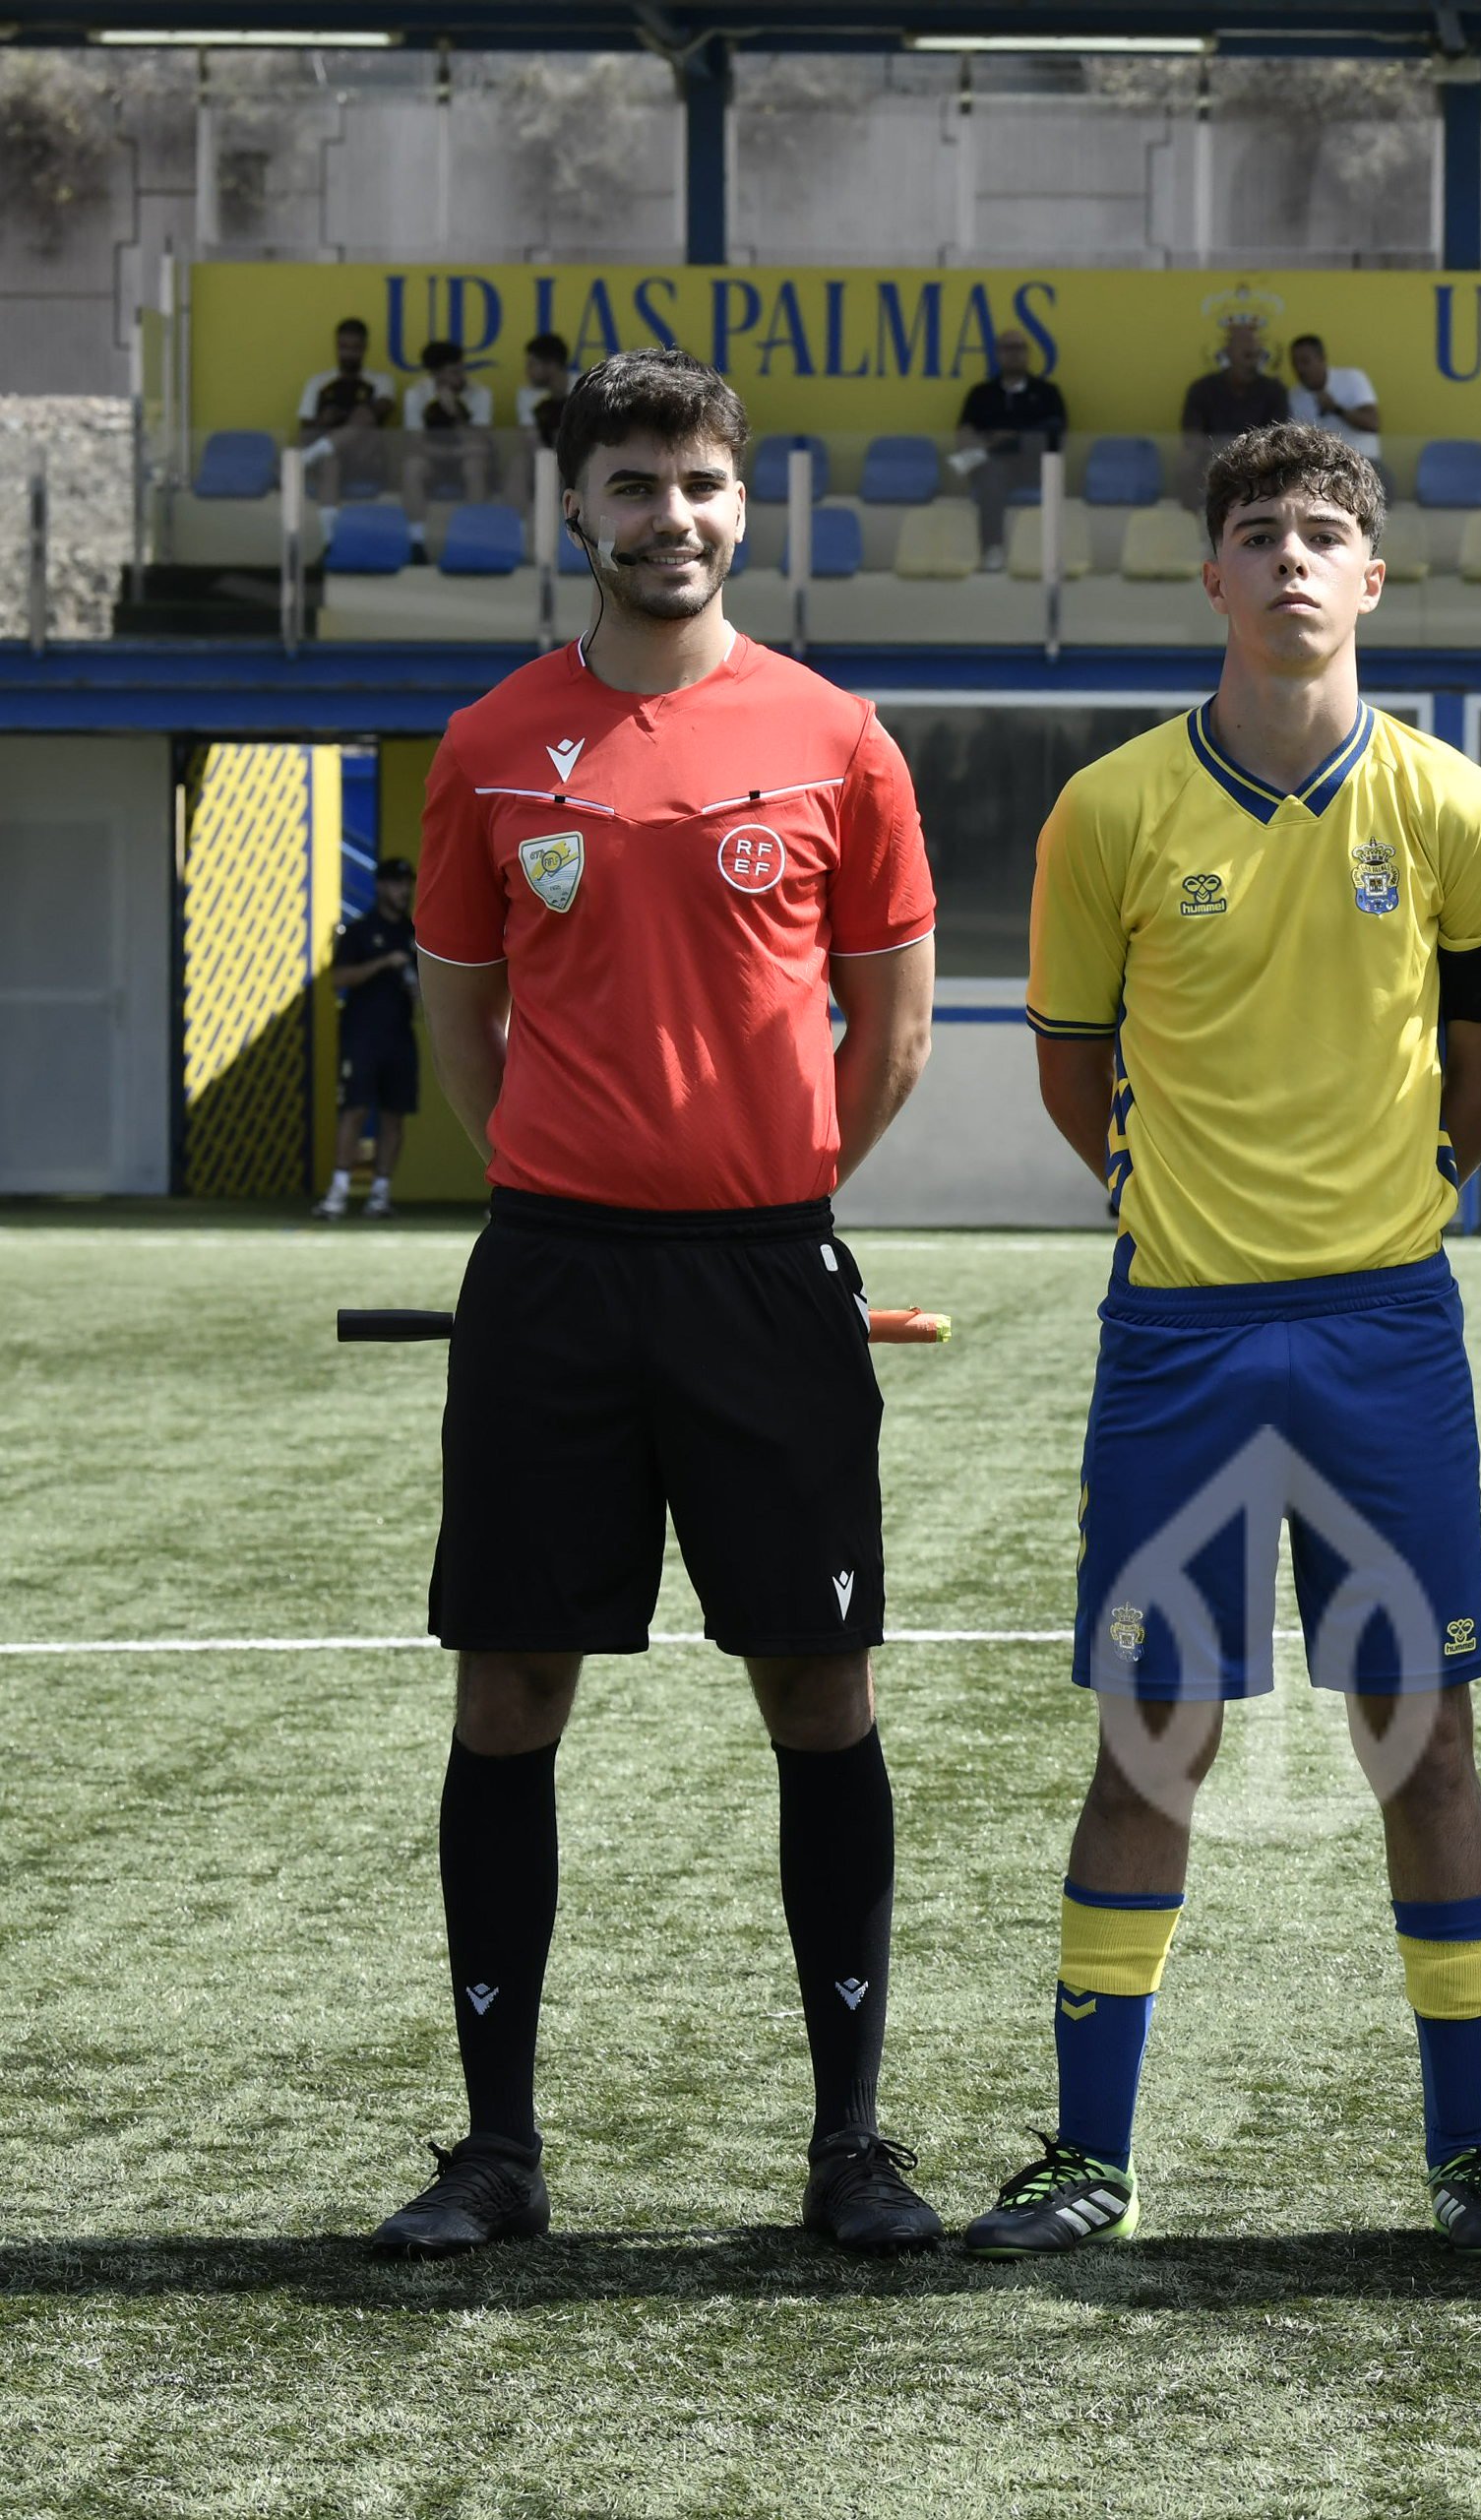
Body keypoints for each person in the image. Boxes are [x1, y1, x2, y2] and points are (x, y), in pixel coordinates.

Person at [379, 347, 942, 2261]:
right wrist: (574, 1170)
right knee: (513, 1686)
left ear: (741, 503)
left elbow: (894, 1023)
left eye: (700, 483)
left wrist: (770, 1196)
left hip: (766, 1274)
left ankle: (852, 2144)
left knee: (818, 1684)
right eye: (634, 485)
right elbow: (461, 1016)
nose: (671, 518)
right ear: (576, 512)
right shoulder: (488, 744)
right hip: (550, 1277)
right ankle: (496, 2148)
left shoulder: (835, 735)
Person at [963, 421, 1481, 2261]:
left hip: (1385, 1331)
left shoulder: (1459, 811)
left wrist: (1380, 1208)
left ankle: (1475, 2161)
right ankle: (1088, 2157)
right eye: (1257, 533)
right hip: (1183, 1341)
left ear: (1374, 580)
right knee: (1158, 1737)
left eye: (1324, 534)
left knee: (1422, 1739)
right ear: (1209, 576)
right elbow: (1075, 1071)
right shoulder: (1113, 808)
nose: (1292, 559)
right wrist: (1186, 1211)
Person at [319, 855, 424, 1221]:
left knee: (395, 1115)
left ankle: (379, 1194)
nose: (403, 890)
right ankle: (339, 1191)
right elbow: (338, 979)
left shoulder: (415, 933)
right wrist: (383, 963)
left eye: (407, 883)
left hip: (400, 1036)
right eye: (396, 883)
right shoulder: (361, 930)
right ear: (380, 886)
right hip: (361, 1036)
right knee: (355, 1109)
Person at [954, 330, 1068, 570]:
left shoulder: (1047, 392)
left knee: (1037, 439)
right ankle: (993, 549)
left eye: (1019, 348)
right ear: (998, 354)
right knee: (991, 476)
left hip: (1034, 465)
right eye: (1008, 348)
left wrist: (1007, 438)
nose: (1014, 354)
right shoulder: (981, 394)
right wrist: (996, 442)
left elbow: (1056, 434)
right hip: (996, 468)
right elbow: (964, 433)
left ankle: (996, 448)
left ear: (1027, 354)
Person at [1178, 317, 1285, 496]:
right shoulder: (1202, 389)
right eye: (1246, 355)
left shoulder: (1273, 391)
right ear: (1228, 354)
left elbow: (1278, 442)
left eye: (1256, 355)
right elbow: (1192, 440)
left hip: (1259, 479)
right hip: (1210, 477)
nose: (1251, 362)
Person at [298, 316, 397, 497]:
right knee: (330, 462)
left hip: (365, 456)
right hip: (329, 458)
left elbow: (384, 406)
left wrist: (349, 419)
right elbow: (305, 428)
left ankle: (312, 454)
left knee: (364, 415)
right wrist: (323, 421)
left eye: (355, 348)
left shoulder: (382, 380)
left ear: (365, 348)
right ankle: (328, 524)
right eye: (343, 347)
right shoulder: (317, 382)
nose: (349, 354)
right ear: (336, 347)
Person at [410, 340, 493, 503]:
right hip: (434, 459)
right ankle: (416, 526)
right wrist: (452, 453)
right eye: (453, 372)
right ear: (435, 374)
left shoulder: (481, 393)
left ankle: (475, 523)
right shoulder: (416, 394)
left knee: (473, 467)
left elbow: (480, 443)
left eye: (461, 369)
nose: (461, 377)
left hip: (467, 459)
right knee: (412, 467)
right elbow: (416, 444)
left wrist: (455, 412)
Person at [1284, 334, 1380, 465]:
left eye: (1305, 361)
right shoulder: (1294, 396)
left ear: (1322, 359)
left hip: (1364, 462)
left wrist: (1336, 409)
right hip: (1322, 470)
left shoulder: (1352, 378)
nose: (1300, 369)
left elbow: (1372, 423)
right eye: (1295, 363)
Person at [519, 334, 575, 457]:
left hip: (578, 457)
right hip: (544, 458)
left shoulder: (585, 388)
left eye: (531, 364)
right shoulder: (526, 394)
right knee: (521, 457)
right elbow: (531, 437)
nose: (527, 371)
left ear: (551, 365)